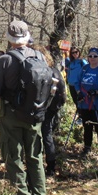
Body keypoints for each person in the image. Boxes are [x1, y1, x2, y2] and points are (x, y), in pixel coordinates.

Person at [0, 20, 46, 195]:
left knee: (14, 158)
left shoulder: (5, 60)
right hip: (35, 116)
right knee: (35, 158)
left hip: (10, 117)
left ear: (9, 38)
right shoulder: (40, 56)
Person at [71, 47, 98, 162]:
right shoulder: (84, 69)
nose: (92, 58)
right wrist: (79, 93)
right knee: (87, 126)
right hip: (85, 103)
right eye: (90, 56)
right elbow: (77, 82)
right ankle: (87, 148)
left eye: (95, 56)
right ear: (88, 58)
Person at [35, 46, 66, 177]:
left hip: (42, 109)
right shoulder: (55, 71)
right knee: (47, 135)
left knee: (40, 136)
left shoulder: (41, 72)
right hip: (51, 108)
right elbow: (63, 94)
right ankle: (50, 167)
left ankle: (44, 167)